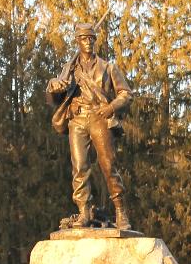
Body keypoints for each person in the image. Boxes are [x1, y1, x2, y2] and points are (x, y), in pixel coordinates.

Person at [47, 23, 132, 230]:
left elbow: (126, 94)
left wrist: (111, 107)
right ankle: (84, 211)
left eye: (91, 38)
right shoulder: (69, 70)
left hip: (99, 117)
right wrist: (54, 87)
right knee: (79, 167)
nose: (89, 42)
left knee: (109, 165)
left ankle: (120, 211)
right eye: (84, 38)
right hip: (77, 119)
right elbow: (54, 98)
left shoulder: (107, 67)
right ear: (78, 41)